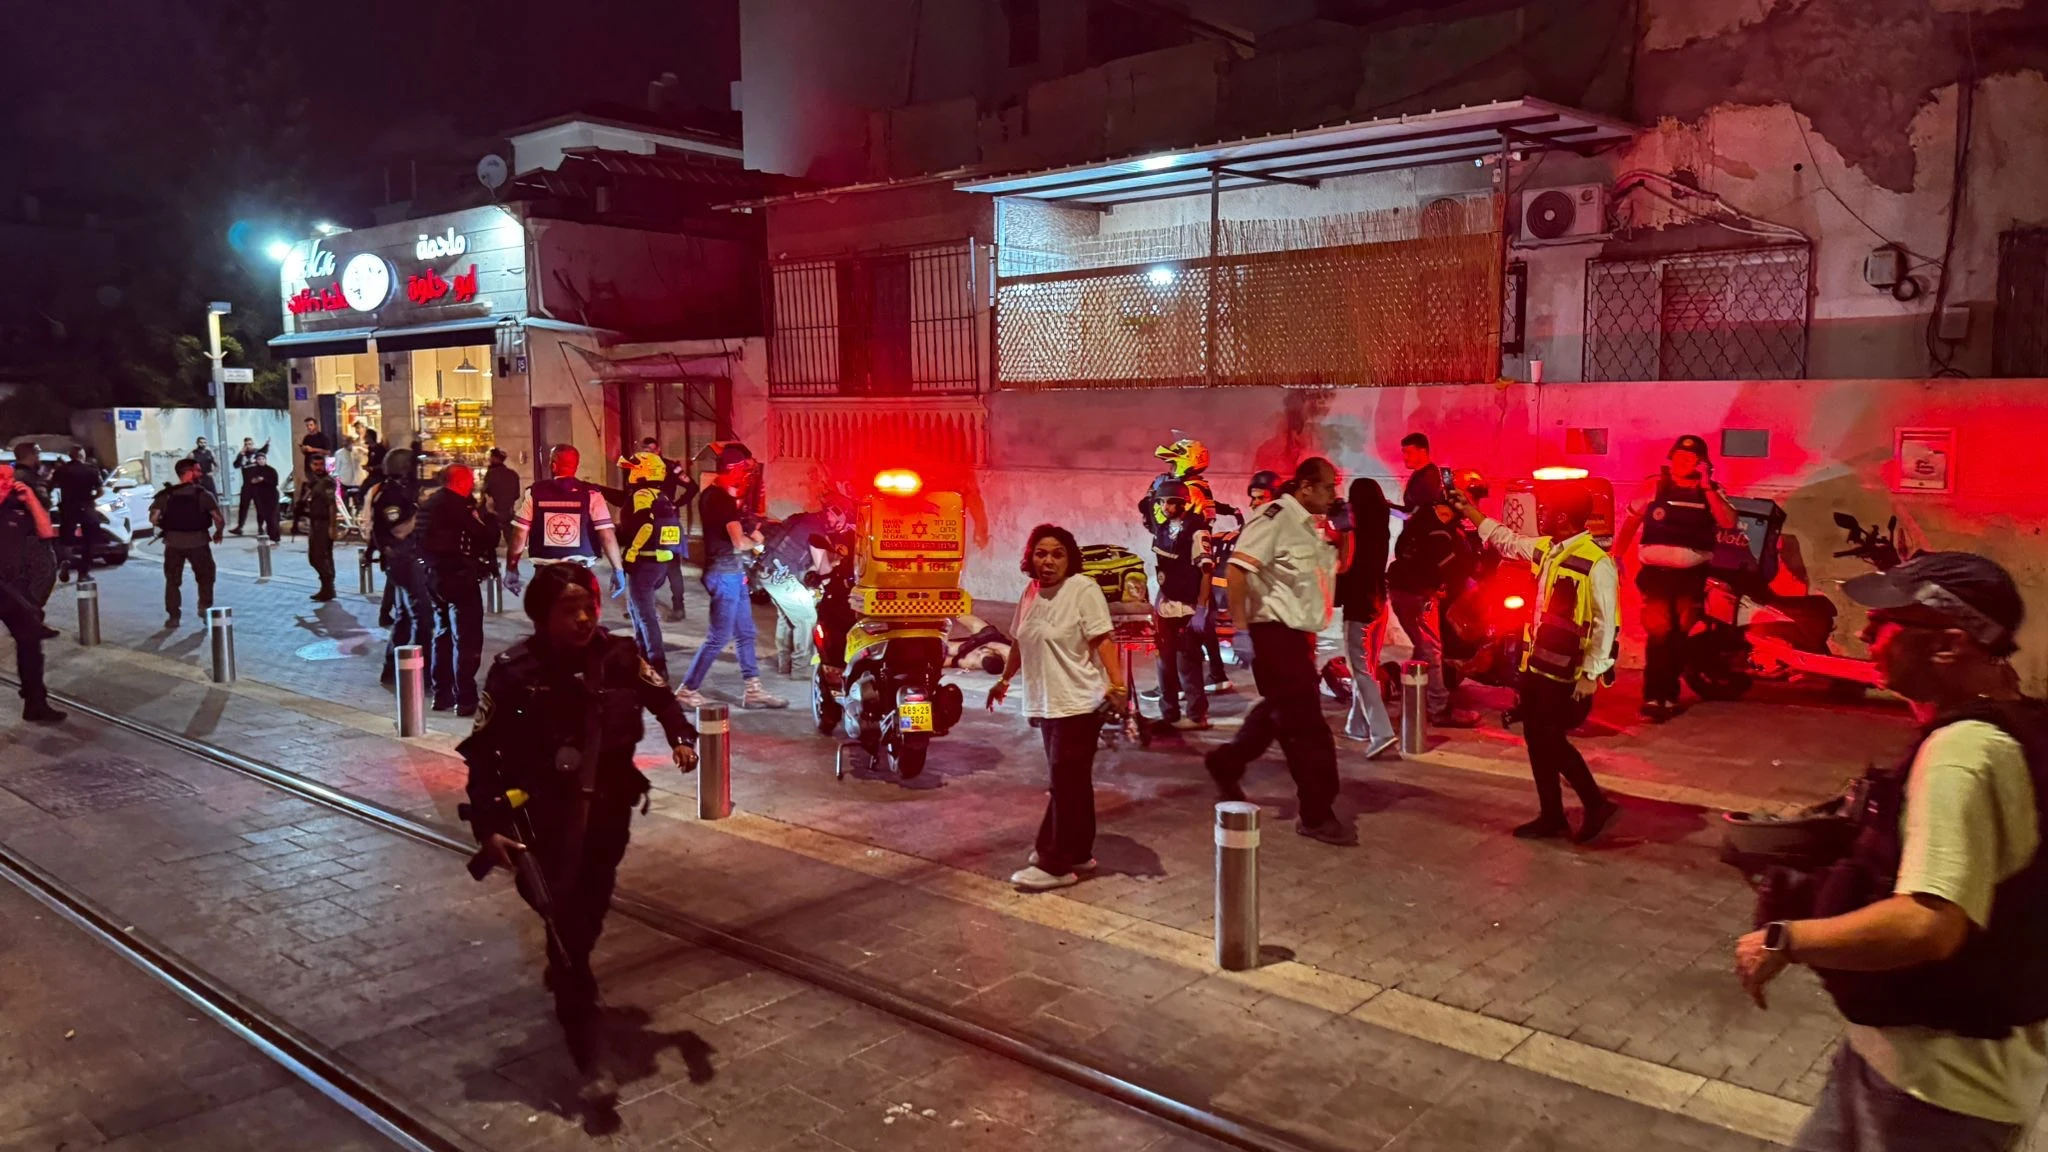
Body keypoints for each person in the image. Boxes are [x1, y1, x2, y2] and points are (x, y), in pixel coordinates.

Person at [1734, 552, 2048, 1151]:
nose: (1863, 634)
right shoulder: (2020, 725)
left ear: (1950, 645)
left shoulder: (1962, 753)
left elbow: (1929, 925)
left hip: (1936, 1097)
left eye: (1884, 625)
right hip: (1901, 1065)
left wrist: (1785, 939)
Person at [458, 563, 698, 1106]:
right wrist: (489, 827)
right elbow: (482, 754)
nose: (585, 617)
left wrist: (682, 737)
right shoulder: (514, 671)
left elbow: (660, 697)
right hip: (542, 816)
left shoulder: (618, 657)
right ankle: (583, 1035)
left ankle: (572, 968)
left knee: (589, 906)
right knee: (564, 921)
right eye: (570, 610)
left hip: (609, 810)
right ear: (543, 617)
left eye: (589, 605)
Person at [1447, 481, 1621, 842]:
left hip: (1568, 672)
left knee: (1550, 740)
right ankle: (1552, 815)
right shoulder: (1550, 551)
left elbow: (1608, 623)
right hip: (1538, 667)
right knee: (1536, 738)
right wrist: (1470, 512)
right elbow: (1506, 539)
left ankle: (1595, 803)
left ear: (1561, 517)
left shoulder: (1597, 563)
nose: (1539, 516)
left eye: (1544, 511)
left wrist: (1592, 674)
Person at [1204, 458, 1354, 846]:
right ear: (1305, 487)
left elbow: (1342, 567)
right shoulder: (1274, 518)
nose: (1333, 495)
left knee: (1277, 713)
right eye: (1327, 488)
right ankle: (1316, 813)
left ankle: (1225, 763)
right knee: (1308, 731)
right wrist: (1241, 631)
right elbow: (1237, 571)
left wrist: (1345, 530)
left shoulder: (1309, 526)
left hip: (1299, 637)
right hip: (1274, 635)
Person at [988, 524, 1123, 891]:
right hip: (1048, 703)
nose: (1048, 561)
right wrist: (1003, 680)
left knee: (1065, 782)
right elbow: (1019, 641)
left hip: (1078, 702)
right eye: (1041, 553)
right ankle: (1078, 850)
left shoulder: (1082, 589)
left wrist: (1118, 684)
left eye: (1058, 554)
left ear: (1070, 558)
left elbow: (1103, 639)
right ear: (1030, 557)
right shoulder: (1031, 593)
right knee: (1073, 782)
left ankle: (1055, 862)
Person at [1613, 434, 1739, 722]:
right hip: (1656, 576)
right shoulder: (1654, 485)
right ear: (1671, 458)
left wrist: (1707, 487)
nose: (1685, 462)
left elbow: (1729, 522)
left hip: (1691, 577)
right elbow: (1632, 520)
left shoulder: (1712, 492)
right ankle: (1653, 697)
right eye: (1680, 457)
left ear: (1703, 463)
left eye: (1693, 458)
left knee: (1678, 636)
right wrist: (1616, 556)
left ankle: (1668, 695)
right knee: (1660, 633)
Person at [674, 444, 786, 710]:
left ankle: (753, 690)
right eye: (745, 470)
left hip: (731, 573)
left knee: (746, 633)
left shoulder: (714, 495)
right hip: (724, 573)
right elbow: (738, 542)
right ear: (734, 470)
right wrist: (756, 541)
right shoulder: (721, 499)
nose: (746, 476)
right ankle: (688, 690)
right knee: (719, 637)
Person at [1388, 432, 1476, 728]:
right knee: (1431, 648)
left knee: (1423, 646)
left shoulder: (1427, 507)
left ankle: (1414, 693)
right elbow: (1445, 561)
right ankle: (1437, 706)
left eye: (1410, 452)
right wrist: (1439, 586)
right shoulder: (1438, 526)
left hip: (1405, 588)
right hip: (1416, 591)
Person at [419, 464, 498, 716]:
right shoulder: (460, 507)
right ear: (460, 481)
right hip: (459, 578)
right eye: (469, 479)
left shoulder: (428, 504)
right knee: (467, 638)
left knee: (442, 633)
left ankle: (441, 693)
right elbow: (485, 537)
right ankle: (465, 698)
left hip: (434, 577)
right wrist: (492, 516)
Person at [503, 445, 626, 600]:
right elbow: (607, 535)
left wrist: (511, 568)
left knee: (547, 620)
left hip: (545, 574)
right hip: (580, 574)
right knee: (579, 620)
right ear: (576, 465)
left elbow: (519, 535)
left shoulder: (534, 492)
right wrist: (618, 570)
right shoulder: (591, 494)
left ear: (553, 466)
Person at [615, 450, 688, 684]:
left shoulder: (642, 495)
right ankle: (643, 660)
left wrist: (632, 553)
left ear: (643, 472)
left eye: (633, 469)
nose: (630, 473)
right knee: (638, 612)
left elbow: (645, 525)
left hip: (645, 563)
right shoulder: (662, 496)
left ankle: (656, 665)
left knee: (645, 616)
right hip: (660, 563)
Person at [1337, 478, 1398, 758]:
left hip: (1359, 608)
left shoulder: (1355, 532)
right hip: (1378, 605)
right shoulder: (1379, 528)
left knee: (1361, 671)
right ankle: (1358, 724)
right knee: (1368, 668)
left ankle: (1382, 732)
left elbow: (1345, 566)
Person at [756, 497, 846, 679]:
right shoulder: (817, 531)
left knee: (788, 617)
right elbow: (823, 569)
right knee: (807, 618)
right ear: (834, 516)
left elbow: (797, 554)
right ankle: (801, 668)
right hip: (782, 577)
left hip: (767, 572)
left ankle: (784, 663)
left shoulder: (801, 518)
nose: (838, 527)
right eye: (840, 522)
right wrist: (835, 567)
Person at [0, 463, 63, 723]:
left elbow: (46, 532)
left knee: (30, 640)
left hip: (10, 589)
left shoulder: (17, 506)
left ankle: (35, 703)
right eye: (1, 478)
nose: (6, 481)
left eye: (8, 478)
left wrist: (32, 501)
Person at [1148, 480, 1213, 731]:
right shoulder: (1163, 530)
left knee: (1188, 663)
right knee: (1164, 663)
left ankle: (1197, 716)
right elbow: (1164, 570)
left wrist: (1201, 609)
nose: (1165, 506)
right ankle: (1170, 714)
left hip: (1187, 607)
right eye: (1162, 502)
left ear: (1181, 502)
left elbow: (1206, 571)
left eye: (1169, 502)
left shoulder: (1197, 531)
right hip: (1166, 606)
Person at [365, 451, 430, 688]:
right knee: (423, 618)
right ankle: (421, 673)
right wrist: (419, 512)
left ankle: (391, 669)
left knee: (403, 619)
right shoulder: (389, 495)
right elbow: (399, 530)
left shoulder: (395, 491)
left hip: (403, 560)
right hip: (402, 561)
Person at [148, 458, 225, 630]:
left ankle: (173, 616)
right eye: (197, 470)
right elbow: (219, 519)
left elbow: (153, 518)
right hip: (198, 543)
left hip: (173, 544)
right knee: (206, 577)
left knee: (173, 581)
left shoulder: (166, 495)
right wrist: (218, 532)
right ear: (188, 472)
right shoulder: (203, 494)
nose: (201, 473)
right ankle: (204, 607)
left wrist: (167, 525)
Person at [50, 448, 102, 580]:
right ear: (81, 456)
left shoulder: (62, 470)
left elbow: (50, 486)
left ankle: (66, 561)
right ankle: (83, 573)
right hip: (87, 507)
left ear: (70, 456)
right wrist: (92, 498)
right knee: (89, 540)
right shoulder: (92, 470)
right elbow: (101, 491)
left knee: (66, 538)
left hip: (68, 508)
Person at [302, 453, 340, 601]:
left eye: (320, 464)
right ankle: (326, 586)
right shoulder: (314, 482)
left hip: (323, 524)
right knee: (316, 557)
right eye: (315, 464)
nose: (318, 468)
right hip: (315, 523)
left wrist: (332, 527)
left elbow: (332, 505)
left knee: (319, 557)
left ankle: (328, 586)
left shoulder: (326, 482)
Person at [482, 448, 522, 560]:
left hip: (492, 513)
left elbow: (486, 492)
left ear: (493, 458)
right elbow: (516, 494)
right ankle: (513, 567)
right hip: (508, 511)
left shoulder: (491, 474)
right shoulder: (513, 474)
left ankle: (492, 566)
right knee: (511, 542)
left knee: (490, 543)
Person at [229, 437, 271, 535]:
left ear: (253, 444)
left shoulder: (257, 453)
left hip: (257, 485)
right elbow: (235, 465)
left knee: (259, 507)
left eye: (250, 444)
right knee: (243, 507)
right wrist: (240, 454)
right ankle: (239, 527)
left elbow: (263, 451)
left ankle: (260, 527)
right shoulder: (242, 455)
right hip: (246, 485)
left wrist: (267, 444)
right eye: (246, 444)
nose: (248, 446)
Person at [236, 451, 281, 543]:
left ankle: (275, 537)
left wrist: (263, 480)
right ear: (256, 460)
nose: (261, 461)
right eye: (259, 459)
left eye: (262, 459)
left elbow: (275, 482)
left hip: (271, 496)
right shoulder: (253, 470)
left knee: (273, 516)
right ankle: (270, 535)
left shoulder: (271, 470)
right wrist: (256, 481)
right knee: (266, 517)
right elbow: (251, 481)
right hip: (261, 496)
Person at [333, 436, 363, 514]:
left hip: (357, 481)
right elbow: (337, 468)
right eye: (345, 441)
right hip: (345, 482)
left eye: (349, 441)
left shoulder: (358, 451)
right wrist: (335, 479)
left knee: (359, 503)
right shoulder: (339, 453)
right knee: (345, 504)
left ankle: (358, 520)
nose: (346, 443)